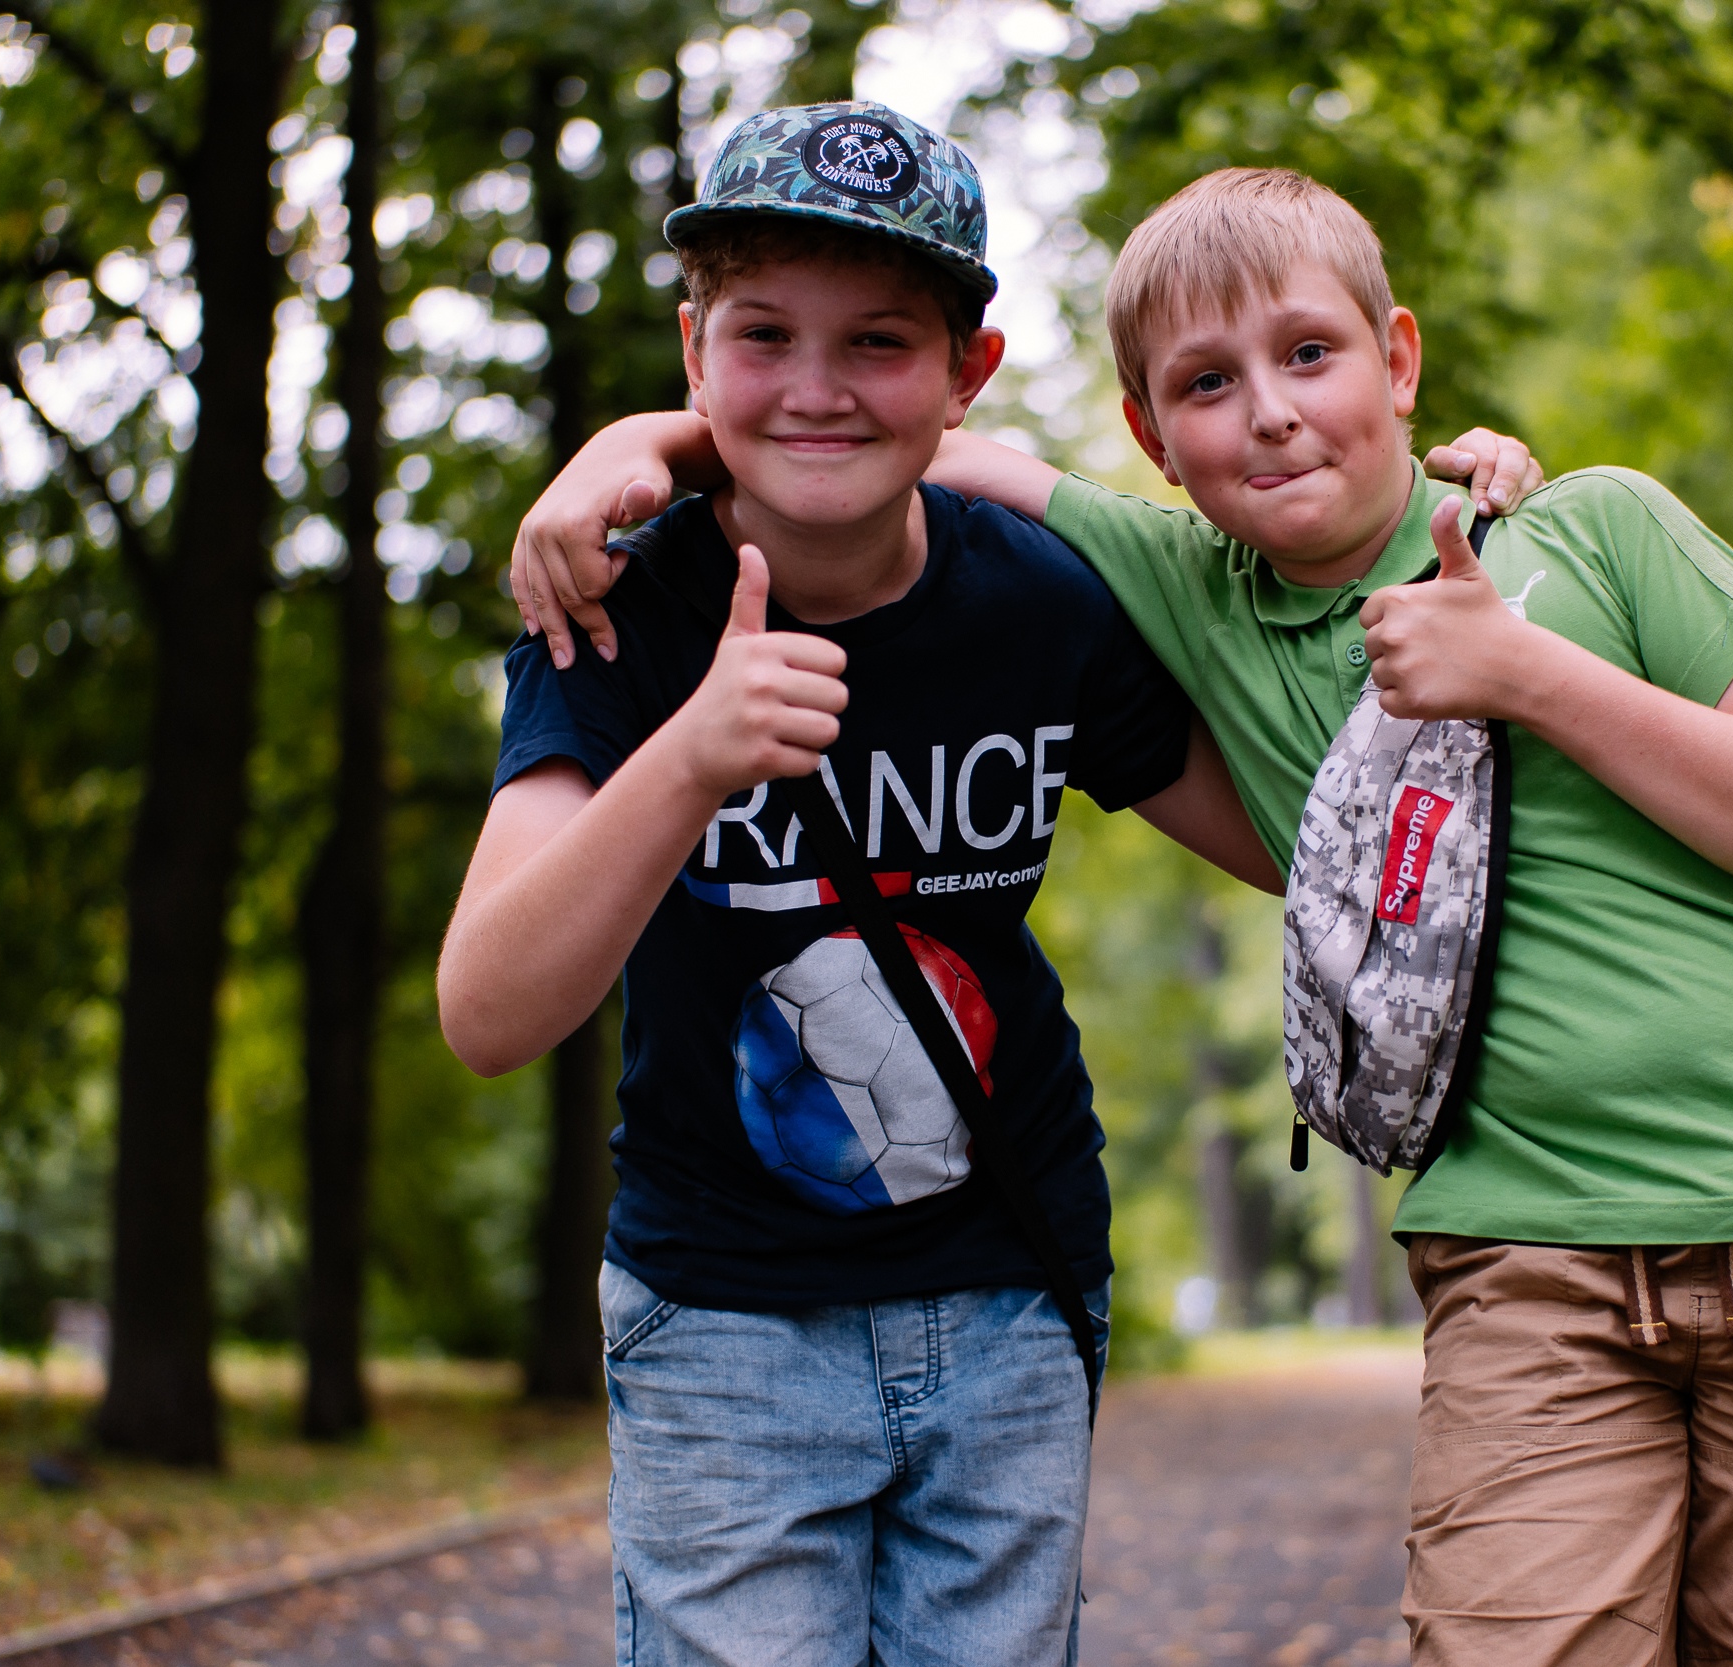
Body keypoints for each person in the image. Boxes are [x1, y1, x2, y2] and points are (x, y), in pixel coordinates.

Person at [512, 164, 1733, 1667]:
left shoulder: (1596, 532)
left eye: (1310, 354)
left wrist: (1531, 674)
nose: (1271, 413)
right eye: (1207, 385)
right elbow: (894, 439)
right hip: (1527, 1249)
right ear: (1155, 439)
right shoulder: (1180, 589)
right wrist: (630, 448)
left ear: (1400, 359)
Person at [436, 104, 1290, 1667]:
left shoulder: (1041, 601)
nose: (818, 389)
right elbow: (490, 1011)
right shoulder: (616, 618)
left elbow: (1293, 846)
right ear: (695, 355)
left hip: (1012, 1297)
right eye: (765, 336)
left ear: (967, 375)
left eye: (881, 342)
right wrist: (689, 757)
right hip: (727, 1331)